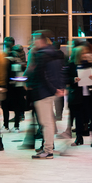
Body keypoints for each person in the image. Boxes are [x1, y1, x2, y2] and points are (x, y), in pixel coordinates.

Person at [25, 30, 65, 159]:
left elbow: (43, 76)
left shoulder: (41, 55)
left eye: (34, 39)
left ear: (39, 40)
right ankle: (47, 148)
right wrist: (59, 88)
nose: (33, 42)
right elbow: (59, 72)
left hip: (42, 93)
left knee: (46, 122)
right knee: (48, 122)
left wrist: (54, 89)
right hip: (48, 92)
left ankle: (48, 150)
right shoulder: (54, 53)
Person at [66, 43, 92, 147]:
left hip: (90, 94)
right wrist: (73, 79)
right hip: (77, 95)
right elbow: (66, 78)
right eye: (82, 53)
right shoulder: (72, 65)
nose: (85, 55)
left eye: (85, 53)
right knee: (78, 117)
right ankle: (79, 137)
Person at [2, 37, 26, 132]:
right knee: (16, 106)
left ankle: (6, 125)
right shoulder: (19, 54)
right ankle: (16, 125)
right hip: (17, 84)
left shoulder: (7, 56)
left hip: (8, 83)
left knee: (6, 106)